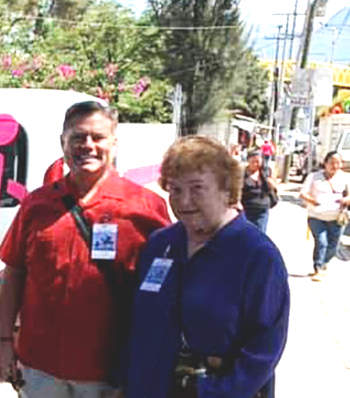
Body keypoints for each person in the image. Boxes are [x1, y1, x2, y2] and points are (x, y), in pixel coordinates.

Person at [0, 101, 171, 398]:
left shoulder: (146, 208)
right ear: (62, 142)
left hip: (109, 372)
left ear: (114, 142)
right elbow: (14, 275)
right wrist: (4, 343)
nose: (87, 145)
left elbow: (166, 291)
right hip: (40, 367)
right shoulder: (36, 205)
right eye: (77, 137)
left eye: (98, 137)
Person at [124, 135, 289, 398]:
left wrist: (212, 392)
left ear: (227, 190)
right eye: (175, 190)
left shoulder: (257, 255)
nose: (183, 201)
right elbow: (137, 325)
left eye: (197, 188)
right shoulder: (160, 244)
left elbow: (264, 351)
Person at [300, 151, 350, 282]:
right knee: (321, 242)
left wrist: (346, 200)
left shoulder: (345, 178)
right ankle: (318, 267)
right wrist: (312, 201)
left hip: (337, 218)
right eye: (332, 162)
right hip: (316, 216)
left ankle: (324, 263)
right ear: (325, 163)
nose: (335, 165)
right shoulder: (314, 176)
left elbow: (349, 195)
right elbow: (303, 193)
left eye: (338, 163)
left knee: (334, 245)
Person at [239, 150, 276, 232]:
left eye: (258, 161)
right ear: (248, 160)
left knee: (259, 234)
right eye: (253, 161)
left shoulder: (266, 171)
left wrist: (271, 183)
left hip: (262, 210)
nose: (255, 164)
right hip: (246, 210)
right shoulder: (242, 173)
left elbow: (274, 186)